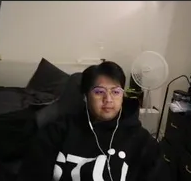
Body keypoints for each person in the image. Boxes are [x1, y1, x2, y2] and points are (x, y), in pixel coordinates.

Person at [17, 61, 167, 181]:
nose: (108, 99)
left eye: (116, 92)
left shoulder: (143, 143)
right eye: (99, 92)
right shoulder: (57, 132)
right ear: (85, 97)